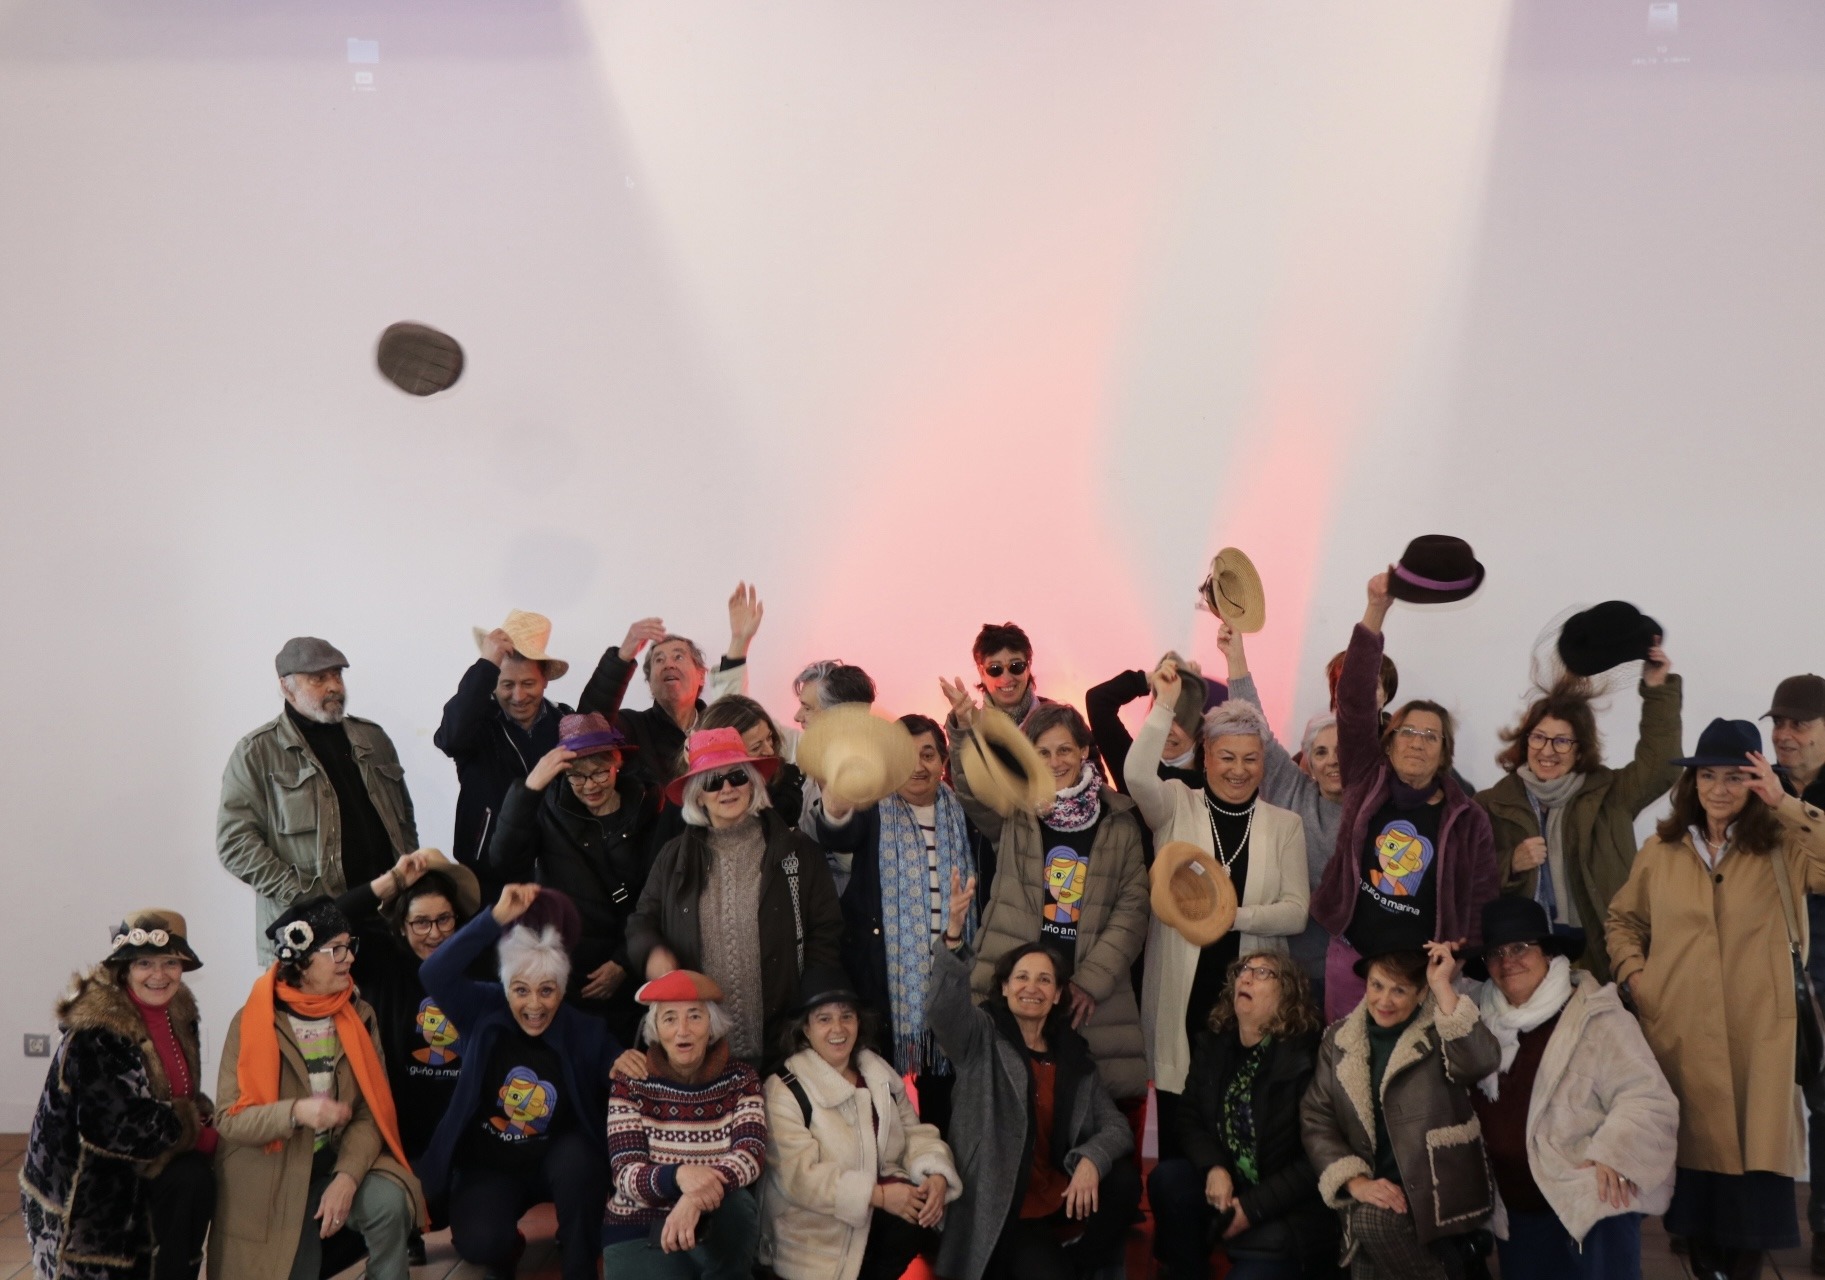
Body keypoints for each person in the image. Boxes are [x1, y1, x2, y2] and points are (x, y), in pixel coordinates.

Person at [1606, 719, 1825, 1278]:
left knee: (1753, 1199)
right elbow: (1623, 920)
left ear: (1757, 781)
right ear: (1692, 783)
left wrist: (1784, 802)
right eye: (1708, 776)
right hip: (1680, 1037)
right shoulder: (1662, 849)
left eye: (1736, 777)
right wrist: (1637, 978)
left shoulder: (1783, 846)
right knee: (1694, 1202)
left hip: (1760, 1041)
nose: (1720, 789)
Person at [940, 693, 1152, 1124]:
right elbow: (973, 790)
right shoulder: (1016, 811)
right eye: (1042, 752)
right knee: (1010, 1110)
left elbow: (1132, 909)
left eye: (1065, 750)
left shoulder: (1119, 819)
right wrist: (962, 730)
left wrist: (1090, 982)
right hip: (1016, 985)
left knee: (1091, 1117)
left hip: (1089, 996)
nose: (1055, 762)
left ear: (1084, 751)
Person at [414, 882, 638, 1280]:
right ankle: (507, 1248)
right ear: (506, 989)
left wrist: (622, 1062)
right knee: (481, 1243)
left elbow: (612, 1059)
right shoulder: (481, 1008)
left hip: (559, 1160)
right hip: (489, 1164)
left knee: (580, 1161)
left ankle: (579, 1261)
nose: (534, 1005)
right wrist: (493, 919)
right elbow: (434, 972)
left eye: (546, 991)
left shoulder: (584, 1029)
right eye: (521, 990)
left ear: (561, 990)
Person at [1128, 661, 1310, 1142]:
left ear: (1264, 763)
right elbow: (1136, 775)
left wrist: (1228, 916)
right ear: (1205, 755)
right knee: (1178, 1128)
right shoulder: (1175, 803)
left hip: (1249, 1001)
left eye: (1251, 758)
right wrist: (1164, 706)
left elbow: (1296, 911)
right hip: (1181, 996)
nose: (1239, 769)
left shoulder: (1285, 825)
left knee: (1240, 1134)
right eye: (1227, 756)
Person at [926, 874, 1141, 1280]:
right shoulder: (981, 1037)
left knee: (1124, 1181)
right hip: (1003, 1206)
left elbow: (1116, 1127)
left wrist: (1090, 1160)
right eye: (1021, 977)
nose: (1032, 988)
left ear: (1058, 995)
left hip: (1055, 1193)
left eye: (1045, 980)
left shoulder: (1071, 1055)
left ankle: (1079, 1261)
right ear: (1005, 988)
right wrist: (953, 935)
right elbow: (943, 1012)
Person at [1309, 572, 1501, 1020]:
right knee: (1341, 1054)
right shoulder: (1365, 778)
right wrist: (1375, 610)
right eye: (1408, 732)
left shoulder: (1467, 819)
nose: (1417, 742)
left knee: (1409, 1063)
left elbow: (1481, 899)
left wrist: (1457, 958)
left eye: (1430, 736)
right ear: (1389, 741)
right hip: (1352, 958)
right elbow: (1354, 701)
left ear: (1444, 752)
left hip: (1418, 978)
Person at [211, 897, 424, 1280]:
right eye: (336, 949)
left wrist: (348, 1177)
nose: (350, 958)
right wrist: (295, 1112)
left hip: (335, 1159)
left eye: (349, 946)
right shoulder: (251, 1022)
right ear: (302, 961)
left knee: (390, 1202)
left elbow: (369, 1113)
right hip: (272, 1174)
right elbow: (229, 1119)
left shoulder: (361, 1015)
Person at [1465, 897, 1677, 1280]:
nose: (1508, 961)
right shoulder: (1477, 1017)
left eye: (1520, 948)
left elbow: (1647, 1096)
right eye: (1496, 953)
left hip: (1586, 1196)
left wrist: (1614, 1151)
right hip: (1516, 1206)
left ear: (1547, 953)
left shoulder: (1597, 1014)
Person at [628, 727, 844, 1064]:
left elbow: (826, 933)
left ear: (753, 783)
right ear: (698, 796)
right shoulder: (673, 858)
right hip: (701, 1055)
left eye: (738, 777)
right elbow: (642, 921)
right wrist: (653, 952)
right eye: (713, 782)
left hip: (786, 1048)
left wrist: (807, 1008)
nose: (727, 788)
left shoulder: (798, 851)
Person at [21, 910, 216, 1280]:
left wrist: (202, 1116)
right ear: (125, 968)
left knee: (195, 1180)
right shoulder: (98, 1031)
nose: (159, 975)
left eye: (170, 962)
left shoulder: (179, 1009)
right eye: (145, 963)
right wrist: (198, 1131)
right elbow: (117, 1126)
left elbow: (180, 1092)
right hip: (87, 1194)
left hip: (139, 1170)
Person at [814, 713, 982, 1135]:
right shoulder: (873, 809)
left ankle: (939, 1172)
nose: (917, 766)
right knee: (881, 1110)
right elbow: (838, 833)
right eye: (905, 757)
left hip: (954, 982)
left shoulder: (965, 815)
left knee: (945, 1109)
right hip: (885, 987)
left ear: (943, 760)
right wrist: (835, 796)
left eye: (928, 755)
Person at [1474, 649, 1680, 981]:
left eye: (1562, 741)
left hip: (1600, 953)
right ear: (1525, 742)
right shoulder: (1491, 804)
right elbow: (1468, 880)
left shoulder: (1610, 795)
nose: (1547, 750)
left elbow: (1661, 767)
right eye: (1538, 738)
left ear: (1580, 749)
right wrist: (1510, 863)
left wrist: (1658, 690)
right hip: (1523, 960)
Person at [1300, 945, 1500, 1279]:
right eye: (1377, 985)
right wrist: (1355, 1181)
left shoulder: (1440, 1027)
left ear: (1421, 993)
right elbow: (1317, 1118)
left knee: (1369, 1222)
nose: (1384, 1000)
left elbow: (1482, 1061)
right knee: (1368, 1237)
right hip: (1374, 1193)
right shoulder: (1339, 1039)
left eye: (1399, 990)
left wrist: (1442, 987)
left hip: (1439, 1195)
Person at [218, 637, 419, 960]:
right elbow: (235, 844)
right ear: (287, 688)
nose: (334, 686)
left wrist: (408, 885)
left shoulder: (373, 738)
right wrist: (303, 897)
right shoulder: (257, 752)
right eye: (318, 678)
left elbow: (404, 819)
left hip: (387, 921)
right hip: (311, 935)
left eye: (337, 675)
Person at [758, 966, 962, 1280]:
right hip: (814, 1237)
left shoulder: (878, 1071)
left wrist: (935, 1173)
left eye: (846, 1016)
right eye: (824, 1019)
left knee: (917, 1213)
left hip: (876, 1222)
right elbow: (800, 1178)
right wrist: (879, 1197)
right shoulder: (783, 1089)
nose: (838, 1028)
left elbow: (913, 1133)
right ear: (805, 1029)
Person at [1148, 949, 1335, 1280]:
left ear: (1287, 995)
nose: (1246, 977)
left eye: (1263, 973)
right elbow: (1188, 1118)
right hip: (1232, 1186)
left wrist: (1253, 1207)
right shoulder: (1215, 1044)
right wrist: (1214, 1167)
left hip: (1285, 1206)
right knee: (1168, 1180)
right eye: (1243, 970)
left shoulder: (1305, 1059)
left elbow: (1313, 1164)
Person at [487, 713, 657, 1043]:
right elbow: (503, 860)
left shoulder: (648, 808)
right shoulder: (549, 808)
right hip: (565, 968)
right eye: (577, 776)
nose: (589, 785)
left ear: (617, 765)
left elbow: (657, 896)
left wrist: (624, 961)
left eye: (599, 772)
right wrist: (529, 788)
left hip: (632, 965)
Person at [602, 969, 769, 1279]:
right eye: (669, 1019)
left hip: (713, 1220)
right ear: (656, 1029)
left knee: (739, 1204)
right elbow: (625, 1173)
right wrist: (678, 1175)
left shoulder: (741, 1079)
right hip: (640, 1224)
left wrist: (693, 1198)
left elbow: (751, 1154)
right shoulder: (631, 1082)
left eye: (695, 1016)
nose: (683, 1030)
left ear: (712, 1026)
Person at [1215, 620, 1347, 1005]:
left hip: (1349, 971)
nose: (1332, 760)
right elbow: (1256, 728)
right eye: (1320, 752)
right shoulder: (1291, 788)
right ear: (1308, 761)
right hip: (1285, 965)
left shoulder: (1372, 806)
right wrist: (1235, 657)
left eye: (1341, 751)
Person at [435, 611, 574, 888]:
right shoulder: (477, 722)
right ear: (492, 682)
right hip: (486, 876)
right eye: (507, 685)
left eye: (528, 683)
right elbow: (450, 739)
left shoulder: (565, 720)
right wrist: (486, 664)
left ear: (545, 680)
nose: (518, 696)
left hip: (555, 875)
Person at [577, 585, 761, 787]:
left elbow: (737, 712)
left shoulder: (717, 725)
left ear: (701, 675)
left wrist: (739, 642)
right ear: (650, 683)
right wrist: (623, 656)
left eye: (678, 656)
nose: (669, 664)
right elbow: (586, 728)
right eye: (659, 660)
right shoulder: (633, 728)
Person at [1765, 673, 1825, 1268]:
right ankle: (1740, 1221)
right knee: (1757, 1102)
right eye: (1778, 722)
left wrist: (1783, 805)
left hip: (1823, 977)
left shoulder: (1775, 795)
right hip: (1763, 972)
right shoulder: (1758, 783)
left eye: (1799, 723)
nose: (1785, 734)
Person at [1083, 656, 1224, 795]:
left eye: (1180, 719)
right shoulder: (1133, 766)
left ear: (1201, 728)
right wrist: (1154, 678)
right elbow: (1098, 700)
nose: (1168, 729)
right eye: (1161, 715)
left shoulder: (1218, 784)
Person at [698, 695, 810, 826]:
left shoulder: (787, 778)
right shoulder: (705, 789)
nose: (770, 751)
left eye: (769, 738)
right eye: (756, 747)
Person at [944, 621, 1051, 744]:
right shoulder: (969, 726)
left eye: (1015, 666)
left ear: (1028, 666)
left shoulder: (1059, 720)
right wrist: (964, 730)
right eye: (995, 669)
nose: (1006, 679)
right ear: (981, 672)